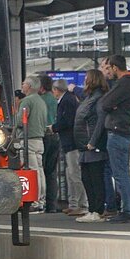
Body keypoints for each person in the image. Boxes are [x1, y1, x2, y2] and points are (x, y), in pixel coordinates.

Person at [94, 55, 130, 223]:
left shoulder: (124, 83)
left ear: (115, 67)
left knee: (120, 174)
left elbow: (104, 104)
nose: (108, 72)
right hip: (126, 132)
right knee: (124, 173)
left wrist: (113, 106)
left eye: (109, 68)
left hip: (118, 131)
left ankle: (129, 211)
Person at [73, 69, 109, 222]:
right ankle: (92, 209)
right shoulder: (90, 97)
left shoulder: (98, 99)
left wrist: (93, 141)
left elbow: (100, 122)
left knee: (95, 179)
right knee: (87, 178)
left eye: (86, 78)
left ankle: (98, 210)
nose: (84, 81)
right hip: (85, 145)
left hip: (92, 145)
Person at [52, 78, 86, 216]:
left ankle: (82, 204)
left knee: (75, 174)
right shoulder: (69, 99)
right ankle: (73, 204)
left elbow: (67, 121)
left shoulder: (67, 101)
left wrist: (54, 128)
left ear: (56, 90)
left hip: (72, 142)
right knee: (70, 174)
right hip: (69, 142)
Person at [18, 77, 48, 212]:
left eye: (24, 83)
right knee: (39, 171)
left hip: (28, 139)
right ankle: (41, 200)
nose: (22, 85)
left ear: (29, 86)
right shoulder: (41, 101)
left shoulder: (27, 101)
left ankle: (34, 202)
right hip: (39, 140)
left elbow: (20, 121)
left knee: (32, 171)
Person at [38, 75, 60, 212]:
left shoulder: (40, 100)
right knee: (51, 172)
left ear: (40, 87)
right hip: (55, 137)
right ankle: (52, 204)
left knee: (40, 170)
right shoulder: (54, 99)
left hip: (44, 136)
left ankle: (41, 201)